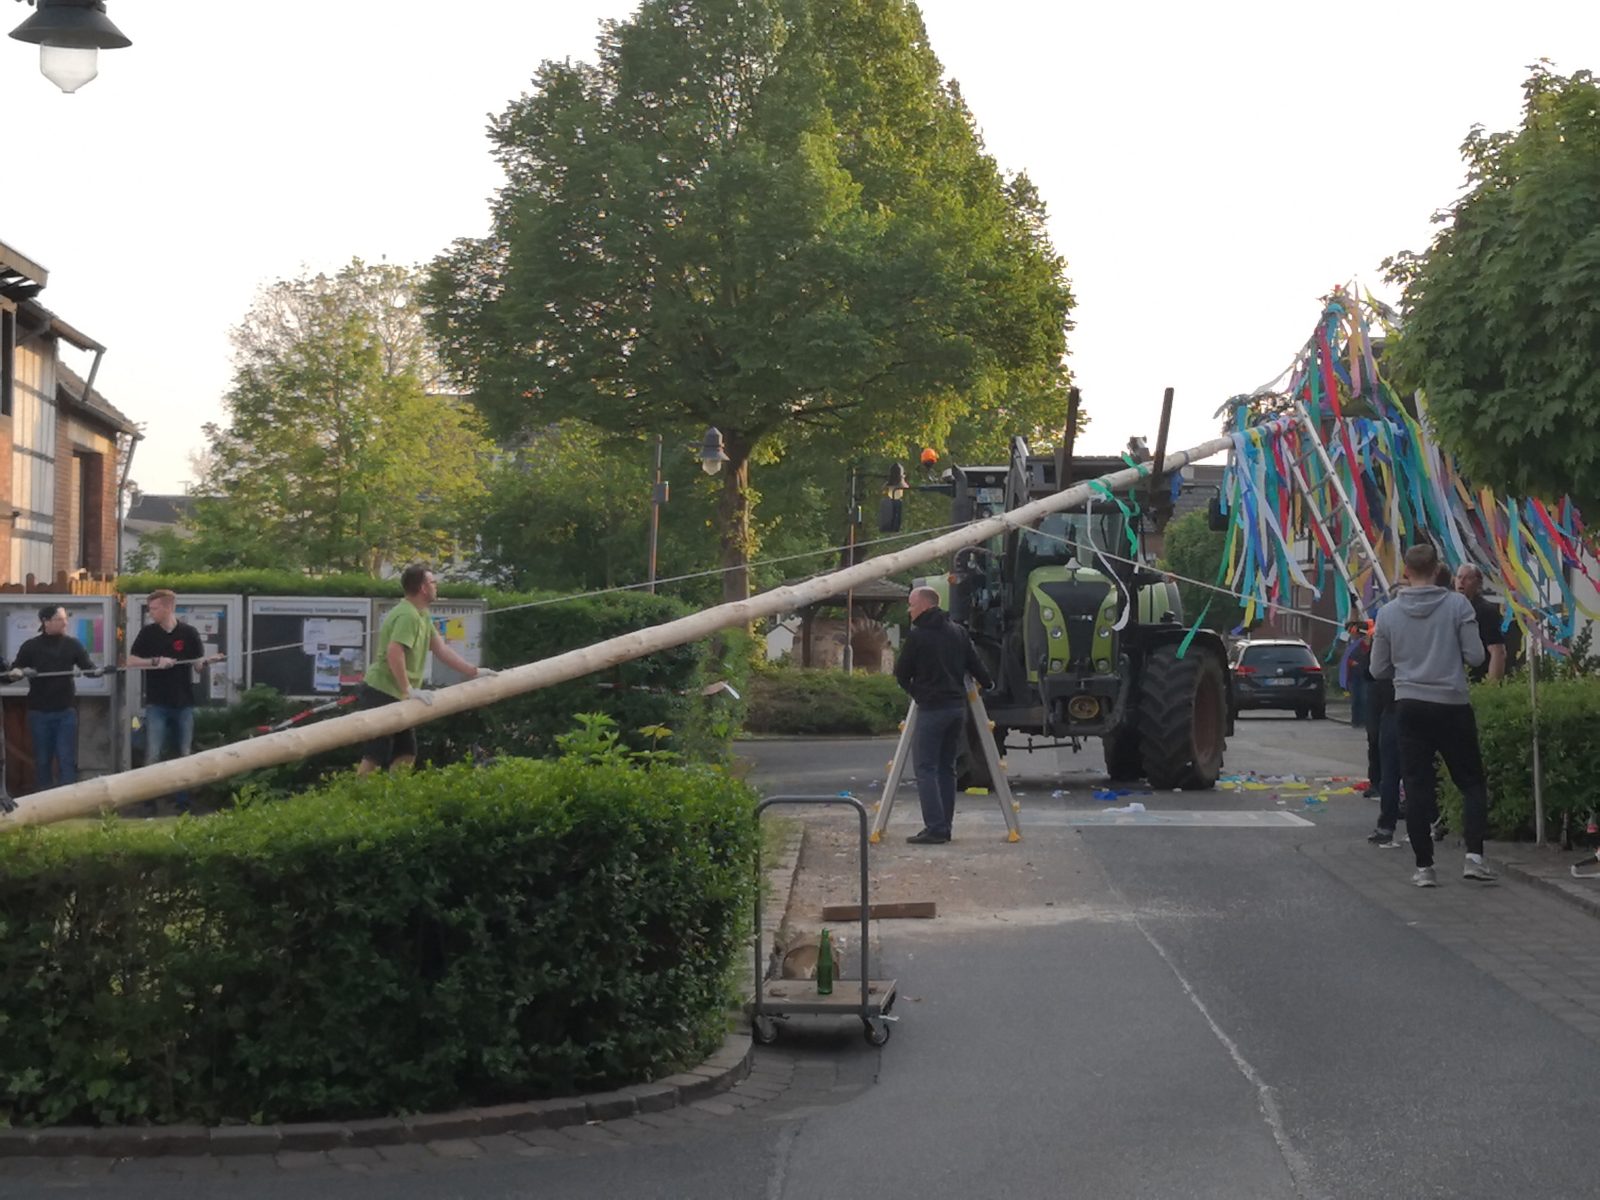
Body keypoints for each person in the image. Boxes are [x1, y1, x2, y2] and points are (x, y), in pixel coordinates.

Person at [1370, 543, 1495, 886]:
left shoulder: (1388, 613)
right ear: (1439, 568)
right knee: (1471, 782)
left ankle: (1424, 868)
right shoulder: (1457, 605)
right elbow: (1474, 656)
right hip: (1452, 702)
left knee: (1417, 784)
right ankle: (1474, 858)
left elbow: (1378, 667)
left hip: (1409, 705)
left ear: (1406, 572)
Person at [357, 563, 493, 775]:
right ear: (422, 588)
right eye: (432, 582)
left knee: (407, 751)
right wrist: (408, 689)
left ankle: (395, 795)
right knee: (376, 752)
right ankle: (360, 797)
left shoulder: (422, 614)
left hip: (399, 693)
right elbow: (395, 652)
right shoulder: (407, 616)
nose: (436, 586)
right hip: (381, 691)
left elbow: (440, 648)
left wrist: (473, 671)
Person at [892, 585, 994, 845]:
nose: (909, 610)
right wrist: (988, 683)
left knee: (925, 768)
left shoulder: (918, 636)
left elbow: (901, 673)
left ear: (925, 606)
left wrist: (918, 693)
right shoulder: (958, 632)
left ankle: (935, 828)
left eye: (911, 605)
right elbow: (977, 666)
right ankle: (945, 825)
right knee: (947, 768)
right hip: (957, 709)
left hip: (932, 709)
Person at [128, 589, 221, 808]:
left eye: (155, 608)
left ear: (169, 607)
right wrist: (155, 662)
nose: (151, 612)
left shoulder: (188, 633)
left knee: (184, 753)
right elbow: (131, 661)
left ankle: (183, 801)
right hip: (157, 703)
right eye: (150, 609)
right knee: (153, 753)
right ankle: (148, 800)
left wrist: (208, 662)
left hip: (183, 703)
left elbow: (197, 666)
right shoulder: (148, 633)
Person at [9, 605, 101, 790]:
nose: (65, 622)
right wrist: (19, 672)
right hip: (39, 712)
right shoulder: (31, 646)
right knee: (43, 759)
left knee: (66, 757)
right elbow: (13, 673)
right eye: (60, 619)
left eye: (65, 618)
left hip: (65, 711)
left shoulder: (72, 644)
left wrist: (99, 671)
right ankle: (45, 799)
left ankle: (69, 799)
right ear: (46, 622)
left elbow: (88, 668)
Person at [1455, 563, 1507, 683]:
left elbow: (1498, 651)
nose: (1461, 581)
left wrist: (1491, 688)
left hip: (1477, 678)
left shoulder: (1486, 611)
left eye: (1467, 578)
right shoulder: (1449, 608)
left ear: (1478, 583)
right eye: (1459, 577)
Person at [1346, 620, 1370, 729]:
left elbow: (1368, 653)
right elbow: (1346, 658)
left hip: (1363, 672)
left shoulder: (1364, 642)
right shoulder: (1350, 642)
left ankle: (1364, 720)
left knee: (1364, 697)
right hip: (1353, 674)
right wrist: (1351, 663)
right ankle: (1356, 720)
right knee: (1356, 698)